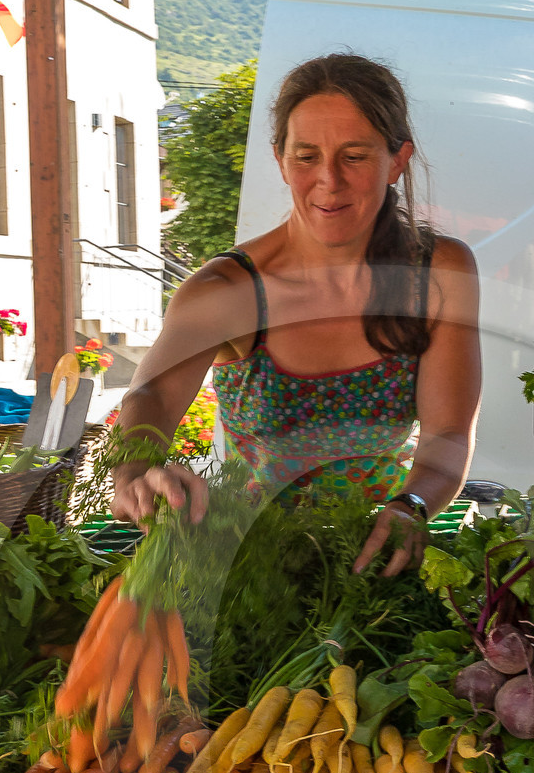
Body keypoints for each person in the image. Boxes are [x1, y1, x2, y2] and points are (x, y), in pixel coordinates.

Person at [109, 53, 481, 575]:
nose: (329, 180)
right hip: (246, 565)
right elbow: (150, 394)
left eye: (354, 156)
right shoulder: (228, 290)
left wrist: (412, 505)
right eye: (307, 157)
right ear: (281, 160)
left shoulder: (438, 272)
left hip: (375, 562)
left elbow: (448, 433)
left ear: (396, 160)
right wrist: (136, 475)